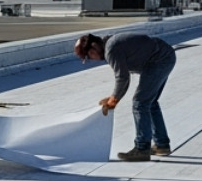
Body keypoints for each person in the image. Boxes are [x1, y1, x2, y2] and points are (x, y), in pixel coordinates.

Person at [75, 32, 177, 162]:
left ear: (94, 47)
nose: (92, 59)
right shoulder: (112, 45)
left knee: (140, 103)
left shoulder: (111, 49)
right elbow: (124, 77)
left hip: (159, 60)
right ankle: (161, 145)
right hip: (164, 56)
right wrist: (113, 97)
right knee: (150, 102)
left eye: (89, 56)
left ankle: (142, 149)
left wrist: (114, 99)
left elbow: (122, 78)